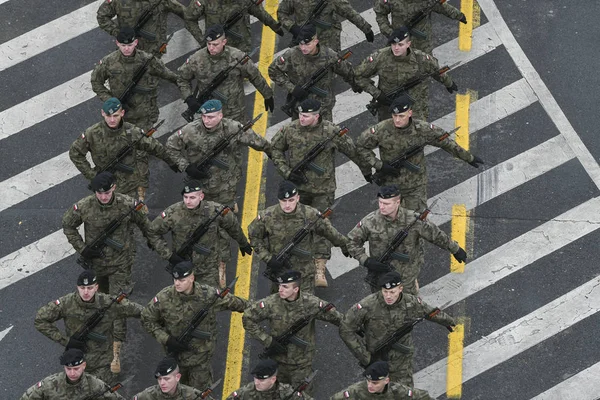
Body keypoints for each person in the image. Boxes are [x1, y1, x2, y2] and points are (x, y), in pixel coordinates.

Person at [62, 172, 154, 368]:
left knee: (117, 305)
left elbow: (144, 223)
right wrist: (83, 248)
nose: (103, 197)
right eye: (99, 193)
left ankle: (115, 353)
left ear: (114, 187)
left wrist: (152, 240)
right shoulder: (85, 206)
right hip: (96, 265)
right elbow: (68, 224)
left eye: (106, 192)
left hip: (121, 263)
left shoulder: (127, 204)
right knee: (99, 306)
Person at [270, 99, 363, 287]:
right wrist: (286, 171)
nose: (302, 118)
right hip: (298, 189)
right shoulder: (290, 130)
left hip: (324, 189)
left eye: (306, 116)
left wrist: (367, 169)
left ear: (317, 116)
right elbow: (275, 149)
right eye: (300, 115)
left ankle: (319, 269)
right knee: (295, 227)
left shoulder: (330, 131)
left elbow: (352, 151)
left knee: (321, 226)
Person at [166, 99, 270, 268]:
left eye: (212, 117)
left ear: (221, 115)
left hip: (225, 186)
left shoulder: (233, 128)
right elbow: (171, 145)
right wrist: (186, 166)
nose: (207, 120)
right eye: (204, 116)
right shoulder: (190, 130)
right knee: (201, 225)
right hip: (199, 185)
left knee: (220, 224)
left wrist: (276, 155)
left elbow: (258, 142)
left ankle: (221, 264)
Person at [91, 26, 180, 204]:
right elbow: (96, 82)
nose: (126, 48)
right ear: (117, 43)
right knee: (121, 155)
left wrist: (183, 82)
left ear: (136, 43)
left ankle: (140, 194)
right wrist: (112, 101)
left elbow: (166, 74)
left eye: (130, 44)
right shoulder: (108, 62)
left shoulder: (147, 60)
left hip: (144, 115)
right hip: (119, 118)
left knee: (140, 153)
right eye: (123, 45)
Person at [356, 94, 483, 211]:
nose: (397, 120)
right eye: (394, 116)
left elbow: (446, 143)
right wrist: (379, 165)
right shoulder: (382, 129)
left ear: (410, 113)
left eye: (401, 116)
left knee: (417, 223)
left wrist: (469, 158)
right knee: (391, 225)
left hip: (415, 185)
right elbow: (361, 146)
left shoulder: (422, 129)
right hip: (390, 185)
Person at [141, 261, 249, 390]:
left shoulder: (208, 295)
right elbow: (146, 318)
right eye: (175, 279)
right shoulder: (164, 297)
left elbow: (235, 303)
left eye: (182, 280)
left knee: (199, 394)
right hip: (176, 359)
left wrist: (262, 308)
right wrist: (166, 339)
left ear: (192, 278)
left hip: (200, 360)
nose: (177, 283)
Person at [339, 272, 456, 386]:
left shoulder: (410, 301)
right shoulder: (368, 305)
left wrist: (448, 321)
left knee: (404, 393)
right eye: (385, 291)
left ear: (400, 289)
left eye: (392, 292)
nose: (388, 296)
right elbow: (346, 328)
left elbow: (429, 311)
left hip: (402, 360)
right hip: (376, 360)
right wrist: (364, 357)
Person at [346, 185, 466, 295]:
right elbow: (351, 241)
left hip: (406, 275)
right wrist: (366, 260)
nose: (382, 207)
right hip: (381, 274)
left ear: (397, 202)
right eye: (380, 202)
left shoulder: (413, 220)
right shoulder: (371, 221)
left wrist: (455, 249)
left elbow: (436, 235)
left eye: (386, 204)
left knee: (407, 307)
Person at [243, 271, 342, 393]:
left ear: (296, 289)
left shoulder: (311, 303)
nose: (280, 289)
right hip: (278, 362)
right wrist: (267, 340)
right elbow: (248, 318)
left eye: (285, 287)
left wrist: (357, 328)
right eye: (279, 286)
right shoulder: (271, 303)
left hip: (302, 363)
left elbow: (337, 318)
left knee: (303, 395)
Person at [34, 271, 143, 379]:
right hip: (76, 360)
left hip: (102, 361)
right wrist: (65, 340)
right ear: (77, 287)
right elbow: (40, 320)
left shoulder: (109, 304)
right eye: (82, 288)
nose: (86, 292)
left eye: (90, 288)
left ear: (96, 287)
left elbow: (143, 312)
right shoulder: (66, 303)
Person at [147, 180, 253, 289]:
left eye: (192, 198)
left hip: (208, 269)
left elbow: (233, 226)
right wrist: (169, 255)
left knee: (209, 299)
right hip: (183, 268)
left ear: (201, 196)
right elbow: (152, 232)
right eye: (185, 197)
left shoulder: (214, 211)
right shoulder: (173, 213)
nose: (188, 201)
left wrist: (243, 243)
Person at [248, 180, 349, 293]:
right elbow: (254, 236)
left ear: (298, 198)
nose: (287, 205)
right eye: (283, 201)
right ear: (278, 199)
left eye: (291, 200)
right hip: (280, 273)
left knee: (306, 306)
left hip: (304, 274)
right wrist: (268, 258)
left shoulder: (310, 215)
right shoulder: (267, 216)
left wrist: (345, 245)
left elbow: (330, 232)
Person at [69, 97, 180, 199]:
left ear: (122, 113)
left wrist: (171, 161)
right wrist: (92, 175)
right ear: (102, 113)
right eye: (108, 116)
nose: (112, 120)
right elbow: (75, 153)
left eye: (115, 116)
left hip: (130, 187)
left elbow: (154, 147)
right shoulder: (92, 133)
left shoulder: (132, 132)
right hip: (105, 188)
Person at [354, 27, 458, 121]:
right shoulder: (380, 57)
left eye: (400, 44)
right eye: (393, 44)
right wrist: (377, 94)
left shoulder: (420, 58)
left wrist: (448, 83)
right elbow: (359, 76)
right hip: (389, 108)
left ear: (408, 44)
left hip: (413, 108)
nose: (396, 48)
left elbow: (435, 70)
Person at [177, 25, 275, 123]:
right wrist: (189, 98)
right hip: (210, 115)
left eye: (215, 44)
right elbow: (182, 79)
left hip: (235, 113)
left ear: (224, 42)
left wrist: (267, 95)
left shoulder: (237, 57)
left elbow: (254, 75)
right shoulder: (196, 59)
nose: (211, 48)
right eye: (209, 44)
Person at [268, 24, 360, 122]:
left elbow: (348, 71)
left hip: (323, 109)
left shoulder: (329, 55)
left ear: (316, 41)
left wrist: (356, 84)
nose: (303, 48)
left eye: (307, 44)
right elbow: (273, 70)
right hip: (300, 108)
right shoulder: (291, 54)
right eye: (301, 44)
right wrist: (292, 88)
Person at [97, 0, 205, 56]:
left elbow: (187, 15)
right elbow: (102, 16)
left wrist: (203, 41)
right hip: (129, 49)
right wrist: (118, 33)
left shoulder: (160, 1)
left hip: (155, 49)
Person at [20, 348, 125, 399]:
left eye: (76, 368)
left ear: (84, 366)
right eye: (68, 369)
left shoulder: (94, 385)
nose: (72, 373)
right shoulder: (50, 384)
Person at [184, 0, 284, 53]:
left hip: (240, 48)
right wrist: (202, 40)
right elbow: (189, 18)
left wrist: (274, 26)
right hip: (216, 49)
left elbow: (260, 13)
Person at [374, 0, 466, 54]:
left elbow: (441, 6)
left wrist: (459, 15)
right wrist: (389, 32)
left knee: (425, 69)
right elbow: (380, 13)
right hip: (398, 40)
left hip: (422, 44)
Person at [277, 0, 374, 51]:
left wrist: (366, 29)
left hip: (328, 39)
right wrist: (293, 28)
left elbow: (348, 11)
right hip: (304, 37)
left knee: (329, 68)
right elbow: (281, 12)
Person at [330, 361, 432, 399]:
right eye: (368, 381)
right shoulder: (356, 390)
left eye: (375, 383)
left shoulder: (397, 391)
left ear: (386, 380)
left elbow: (423, 396)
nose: (369, 385)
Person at [226, 359, 313, 399]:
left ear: (273, 379)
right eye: (255, 378)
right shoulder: (245, 392)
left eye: (261, 380)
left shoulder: (287, 392)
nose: (256, 383)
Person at [133, 357, 207, 399]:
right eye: (159, 379)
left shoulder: (191, 394)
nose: (162, 383)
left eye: (166, 379)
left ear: (177, 377)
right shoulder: (149, 395)